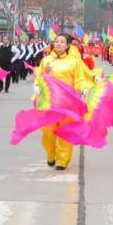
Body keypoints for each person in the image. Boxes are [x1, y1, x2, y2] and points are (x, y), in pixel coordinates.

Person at [38, 34, 95, 170]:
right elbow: (40, 77)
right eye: (56, 41)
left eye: (62, 42)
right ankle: (51, 154)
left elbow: (80, 80)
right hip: (50, 101)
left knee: (65, 131)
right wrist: (39, 83)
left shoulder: (73, 62)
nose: (58, 44)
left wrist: (84, 89)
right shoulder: (46, 61)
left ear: (67, 45)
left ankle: (63, 160)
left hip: (68, 102)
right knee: (48, 132)